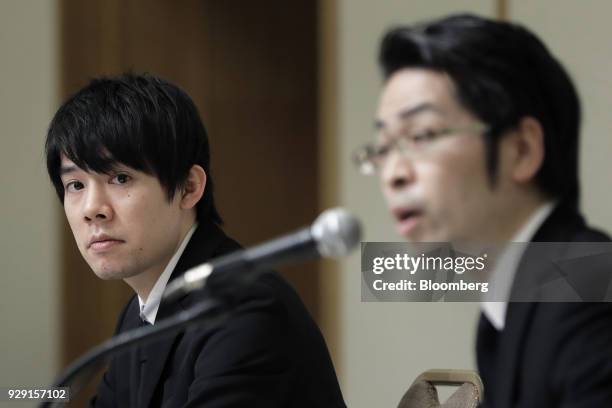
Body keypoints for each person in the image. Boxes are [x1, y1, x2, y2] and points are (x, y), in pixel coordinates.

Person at [353, 14, 612, 407]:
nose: (393, 175)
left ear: (522, 150)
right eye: (384, 148)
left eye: (422, 135)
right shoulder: (505, 309)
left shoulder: (588, 284)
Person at [45, 73, 345, 407]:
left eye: (120, 178)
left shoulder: (244, 313)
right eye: (76, 185)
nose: (92, 209)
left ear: (189, 187)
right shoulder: (139, 314)